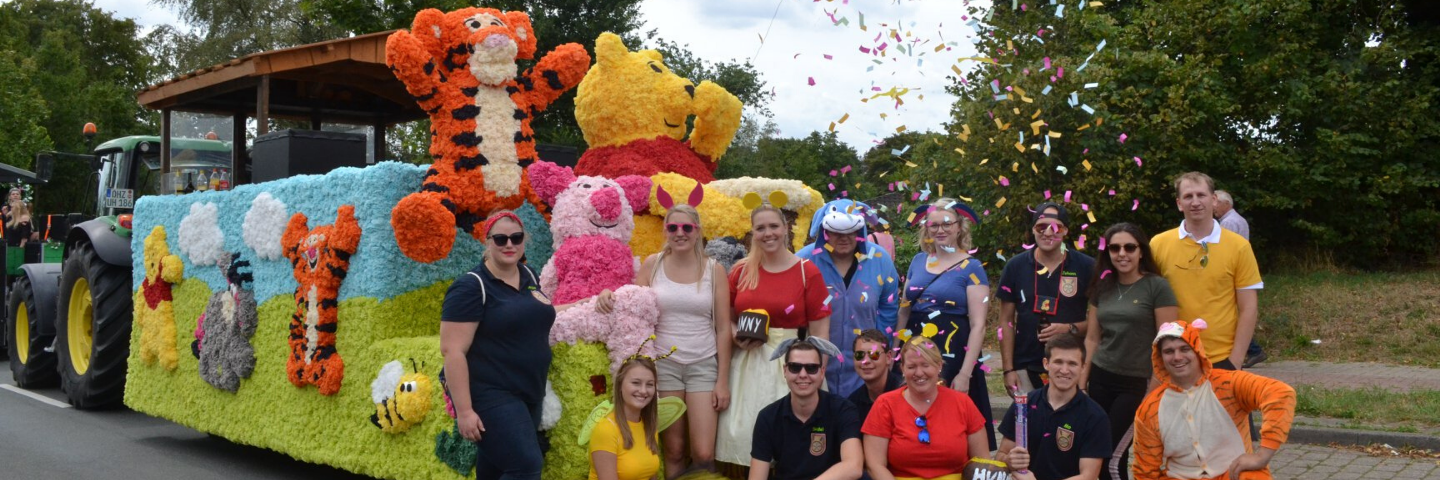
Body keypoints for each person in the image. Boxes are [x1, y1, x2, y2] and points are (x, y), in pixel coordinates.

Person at [439, 211, 555, 480]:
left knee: (496, 469)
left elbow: (538, 312)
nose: (509, 245)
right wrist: (465, 411)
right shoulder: (471, 287)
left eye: (516, 238)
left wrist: (589, 303)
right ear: (487, 241)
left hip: (529, 392)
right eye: (500, 239)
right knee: (526, 466)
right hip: (490, 395)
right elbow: (452, 351)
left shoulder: (529, 275)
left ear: (525, 240)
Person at [715, 202, 832, 467]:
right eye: (761, 228)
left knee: (793, 441)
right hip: (748, 364)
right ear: (753, 233)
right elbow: (726, 320)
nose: (768, 233)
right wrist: (737, 337)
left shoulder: (807, 271)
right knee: (747, 436)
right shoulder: (740, 271)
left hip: (793, 363)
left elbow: (821, 330)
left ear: (785, 229)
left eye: (773, 226)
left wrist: (815, 373)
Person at [634, 204, 733, 478]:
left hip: (702, 363)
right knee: (674, 450)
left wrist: (722, 381)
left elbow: (724, 328)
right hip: (664, 365)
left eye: (687, 227)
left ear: (697, 231)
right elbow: (634, 311)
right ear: (665, 230)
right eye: (673, 227)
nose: (680, 233)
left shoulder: (714, 270)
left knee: (703, 453)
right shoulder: (653, 265)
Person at [1132, 320, 1296, 480]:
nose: (1177, 357)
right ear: (1159, 358)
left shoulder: (1228, 384)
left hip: (1232, 474)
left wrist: (1262, 456)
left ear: (1197, 350)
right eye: (1169, 351)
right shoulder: (1150, 408)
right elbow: (1145, 472)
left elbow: (1281, 393)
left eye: (1184, 349)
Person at [1078, 223, 1177, 480]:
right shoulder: (1103, 286)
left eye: (1129, 247)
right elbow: (1091, 338)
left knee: (1112, 457)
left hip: (1136, 383)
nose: (1122, 253)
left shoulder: (1157, 287)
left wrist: (1154, 388)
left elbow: (1167, 341)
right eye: (1115, 248)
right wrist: (1082, 380)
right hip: (1100, 378)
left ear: (1141, 251)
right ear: (1107, 252)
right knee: (1094, 452)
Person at [897, 197, 995, 451]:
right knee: (913, 415)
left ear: (959, 227)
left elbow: (979, 325)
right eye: (934, 225)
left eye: (947, 224)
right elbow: (904, 311)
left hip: (953, 349)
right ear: (926, 228)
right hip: (916, 346)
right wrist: (896, 351)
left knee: (950, 420)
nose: (940, 230)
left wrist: (965, 373)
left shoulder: (972, 267)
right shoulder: (918, 261)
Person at [1150, 173, 1263, 371]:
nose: (1195, 202)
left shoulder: (1239, 247)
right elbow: (1150, 302)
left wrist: (1235, 360)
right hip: (1174, 357)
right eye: (1188, 196)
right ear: (1179, 203)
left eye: (1201, 195)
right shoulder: (1158, 244)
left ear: (1213, 200)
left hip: (1222, 358)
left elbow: (1248, 308)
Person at [798, 199, 900, 396]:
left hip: (864, 373)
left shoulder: (880, 260)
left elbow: (889, 310)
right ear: (824, 231)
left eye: (850, 232)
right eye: (836, 232)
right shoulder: (804, 260)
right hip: (815, 371)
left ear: (860, 231)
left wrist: (878, 350)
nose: (843, 238)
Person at [998, 202, 1095, 394]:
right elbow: (1005, 321)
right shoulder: (1015, 266)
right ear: (1033, 230)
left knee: (1066, 424)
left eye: (1056, 227)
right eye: (1041, 227)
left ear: (1065, 231)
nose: (1048, 233)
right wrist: (1008, 369)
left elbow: (1098, 323)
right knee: (1027, 424)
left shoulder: (1086, 266)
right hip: (1025, 366)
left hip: (1070, 366)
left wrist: (1070, 329)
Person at [862, 335, 990, 480]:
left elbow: (982, 464)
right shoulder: (885, 404)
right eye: (911, 367)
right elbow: (875, 465)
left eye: (925, 365)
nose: (919, 373)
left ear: (939, 366)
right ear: (902, 368)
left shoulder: (963, 403)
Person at [997, 334, 1111, 480]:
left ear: (1083, 367)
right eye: (1058, 362)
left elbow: (1088, 476)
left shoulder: (1095, 416)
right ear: (1046, 364)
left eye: (1072, 364)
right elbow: (1001, 455)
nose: (1064, 370)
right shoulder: (1023, 405)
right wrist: (1008, 461)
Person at [750, 337, 864, 480]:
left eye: (811, 368)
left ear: (822, 372)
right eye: (795, 367)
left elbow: (854, 467)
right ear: (785, 370)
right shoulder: (768, 417)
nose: (803, 375)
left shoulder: (843, 409)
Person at [588, 357, 663, 480]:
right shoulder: (606, 430)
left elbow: (650, 475)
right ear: (620, 385)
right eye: (636, 383)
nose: (643, 391)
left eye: (649, 384)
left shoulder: (649, 426)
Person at [1214, 190, 1265, 368]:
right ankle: (1253, 350)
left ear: (1226, 203)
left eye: (1216, 203)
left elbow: (1221, 249)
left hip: (1231, 273)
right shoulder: (1239, 219)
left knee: (1235, 315)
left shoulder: (1228, 223)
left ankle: (1253, 350)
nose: (1213, 208)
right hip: (1240, 270)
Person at [846, 329, 902, 423]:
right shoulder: (853, 402)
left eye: (874, 354)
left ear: (888, 358)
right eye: (860, 355)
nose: (866, 361)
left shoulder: (905, 393)